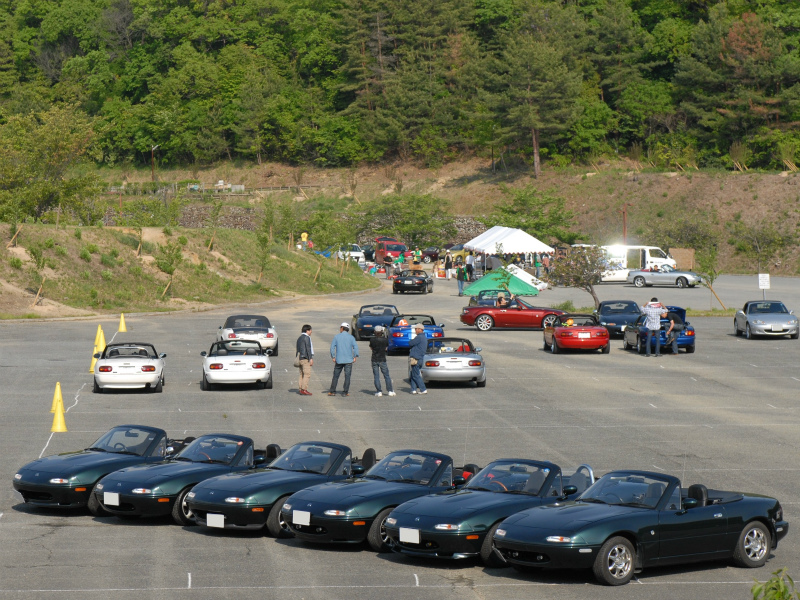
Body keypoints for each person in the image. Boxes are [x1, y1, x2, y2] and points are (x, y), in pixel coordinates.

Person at [329, 322, 359, 396]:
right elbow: (355, 347)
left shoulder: (337, 337)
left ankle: (332, 391)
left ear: (342, 328)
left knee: (336, 376)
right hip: (349, 360)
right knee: (347, 376)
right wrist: (355, 356)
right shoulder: (351, 337)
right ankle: (345, 392)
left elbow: (332, 348)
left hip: (339, 360)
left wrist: (333, 356)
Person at [369, 326, 395, 397]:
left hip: (374, 359)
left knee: (376, 376)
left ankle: (379, 391)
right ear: (381, 332)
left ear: (375, 332)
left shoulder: (372, 340)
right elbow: (386, 348)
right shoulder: (385, 340)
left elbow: (371, 348)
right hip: (382, 359)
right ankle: (390, 390)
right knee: (386, 375)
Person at [407, 323, 428, 394]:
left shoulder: (419, 337)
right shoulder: (423, 337)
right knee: (413, 374)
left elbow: (410, 343)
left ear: (420, 329)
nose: (415, 330)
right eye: (415, 329)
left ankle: (423, 389)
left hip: (416, 358)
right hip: (419, 358)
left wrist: (411, 341)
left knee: (416, 375)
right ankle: (413, 389)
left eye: (416, 329)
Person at [296, 324, 314, 395]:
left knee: (301, 374)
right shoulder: (307, 338)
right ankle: (304, 389)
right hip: (305, 358)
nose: (311, 331)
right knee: (307, 374)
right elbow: (308, 349)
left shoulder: (299, 338)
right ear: (307, 331)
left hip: (300, 358)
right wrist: (310, 358)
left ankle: (300, 389)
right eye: (310, 330)